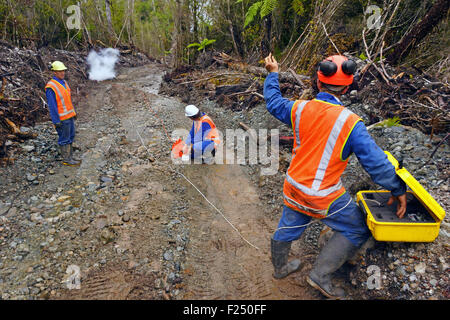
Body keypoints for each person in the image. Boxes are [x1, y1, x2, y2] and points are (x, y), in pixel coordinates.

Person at [263, 53, 407, 299]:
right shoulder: (351, 123)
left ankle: (280, 268)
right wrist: (397, 188)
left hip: (294, 186)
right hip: (323, 196)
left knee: (288, 227)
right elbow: (376, 163)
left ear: (318, 83)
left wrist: (273, 73)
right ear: (348, 85)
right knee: (357, 228)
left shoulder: (299, 109)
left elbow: (273, 102)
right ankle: (320, 276)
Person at [45, 61, 80, 166]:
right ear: (54, 72)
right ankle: (66, 159)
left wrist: (73, 112)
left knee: (71, 135)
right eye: (60, 71)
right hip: (62, 118)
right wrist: (56, 121)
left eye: (63, 71)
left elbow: (67, 100)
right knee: (64, 138)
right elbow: (52, 106)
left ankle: (70, 156)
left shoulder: (64, 82)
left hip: (69, 115)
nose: (62, 73)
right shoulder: (51, 86)